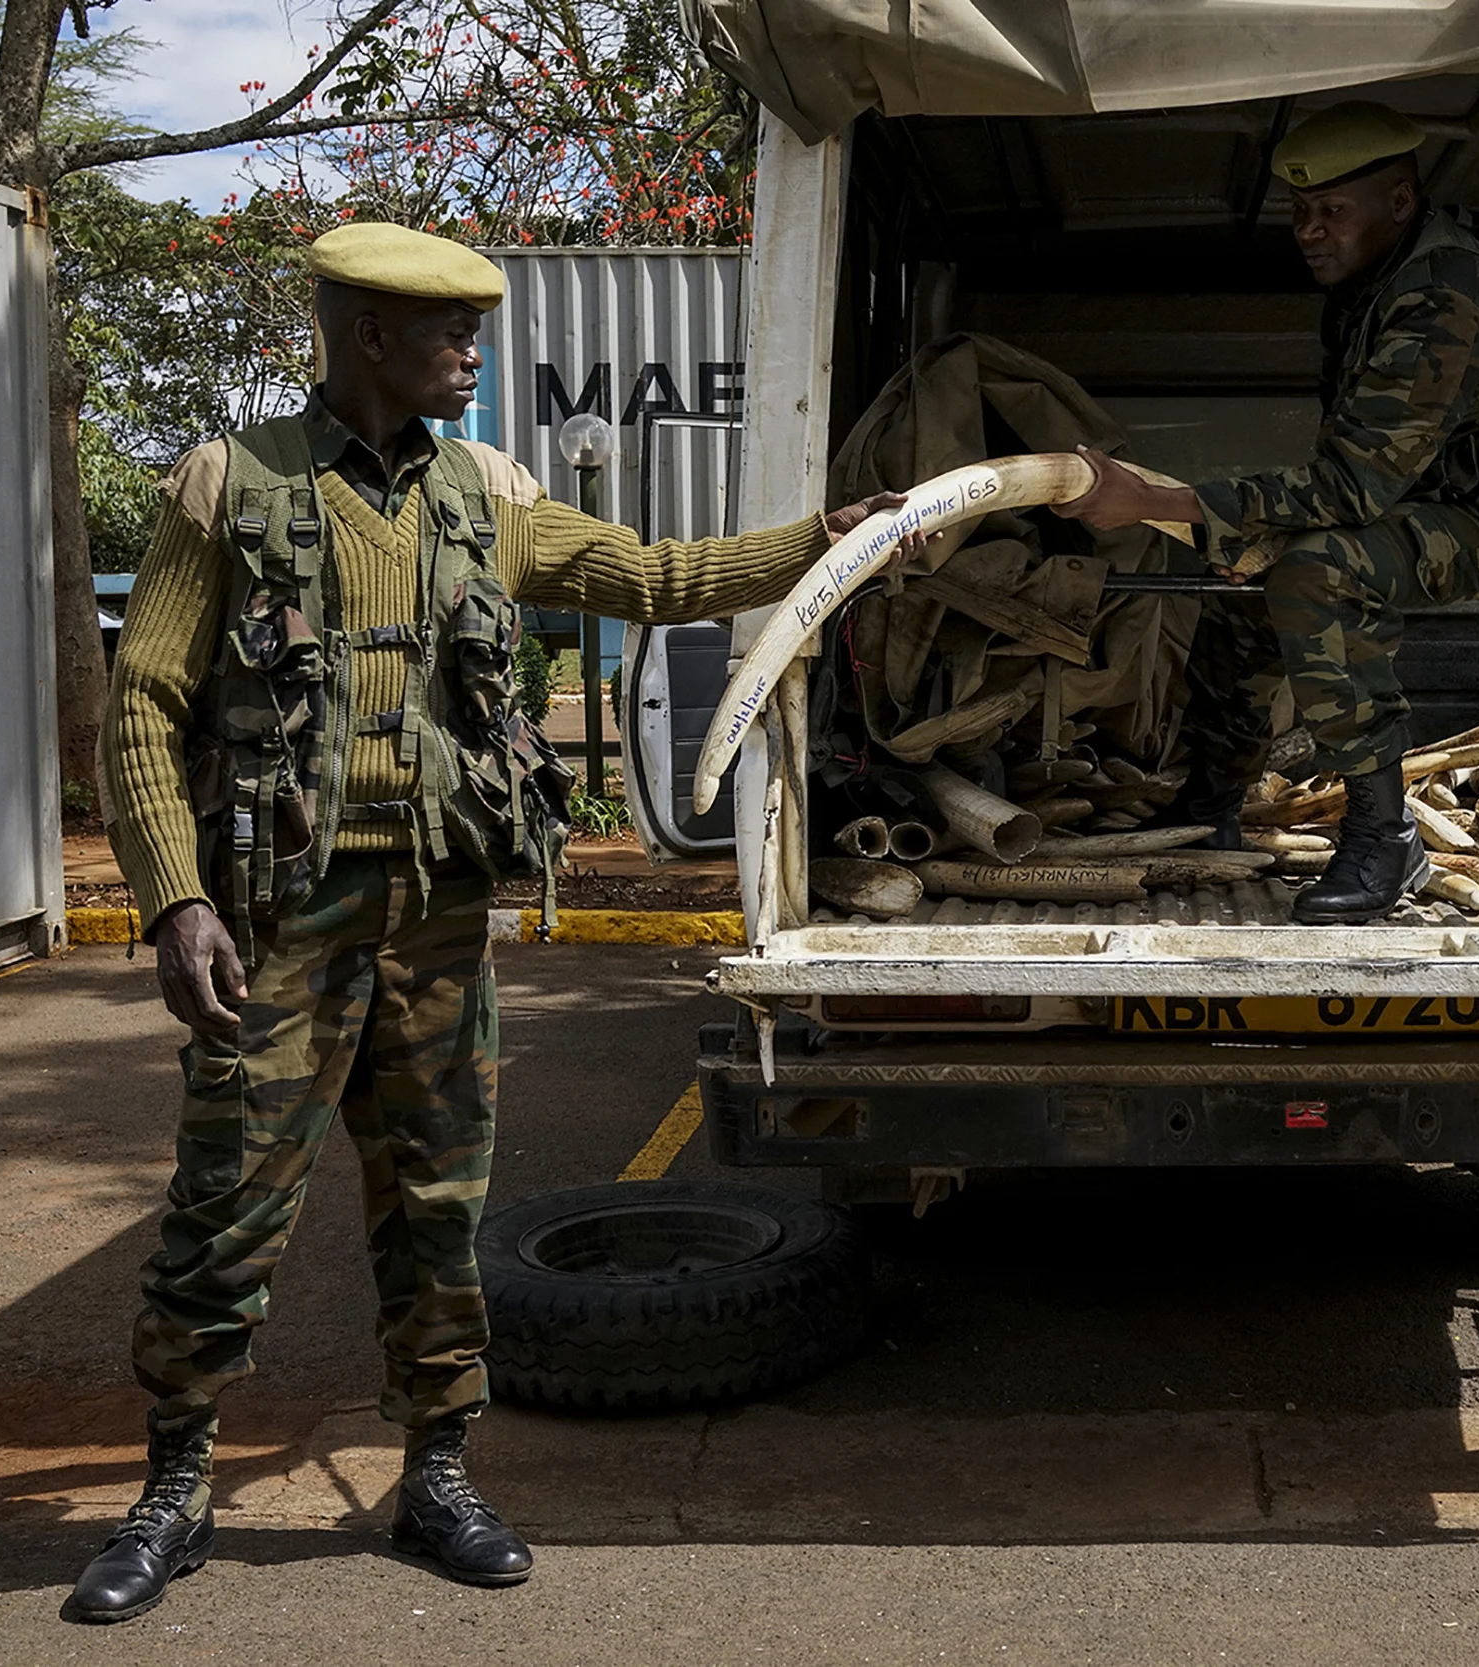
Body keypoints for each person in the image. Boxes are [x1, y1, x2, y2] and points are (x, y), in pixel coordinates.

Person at [71, 222, 912, 1624]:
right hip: (282, 913)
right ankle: (174, 1481)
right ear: (364, 336)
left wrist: (828, 541)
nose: (475, 352)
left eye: (478, 329)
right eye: (450, 331)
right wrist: (175, 897)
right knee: (226, 1208)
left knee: (441, 1205)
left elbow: (652, 575)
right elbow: (143, 707)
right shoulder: (231, 487)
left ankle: (438, 1470)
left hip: (439, 918)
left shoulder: (491, 496)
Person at [1054, 101, 1479, 923]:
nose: (1309, 230)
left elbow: (1349, 488)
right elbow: (1354, 468)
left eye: (1333, 212)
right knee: (1244, 571)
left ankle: (1384, 836)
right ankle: (1211, 807)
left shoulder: (1446, 295)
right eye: (1301, 213)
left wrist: (1155, 501)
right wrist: (1234, 529)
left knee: (1313, 569)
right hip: (1437, 505)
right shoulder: (1369, 286)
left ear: (1401, 201)